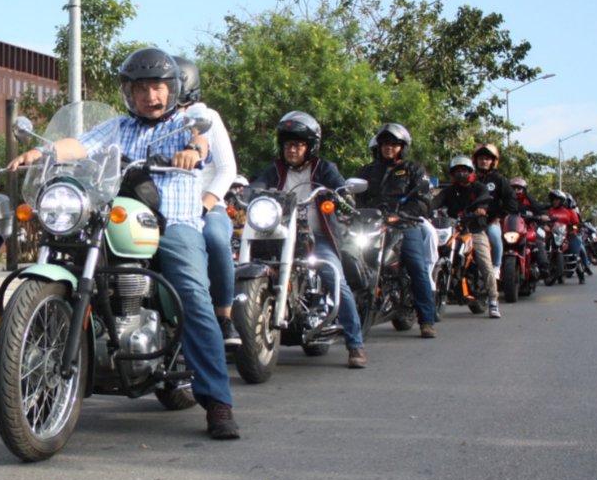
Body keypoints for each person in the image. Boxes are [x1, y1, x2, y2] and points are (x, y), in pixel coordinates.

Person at [8, 47, 241, 440]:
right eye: (142, 88)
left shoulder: (187, 121)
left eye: (159, 87)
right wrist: (42, 151)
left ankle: (218, 401)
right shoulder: (119, 127)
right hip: (119, 219)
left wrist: (190, 153)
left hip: (174, 224)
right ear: (129, 93)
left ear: (173, 89)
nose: (151, 96)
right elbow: (79, 145)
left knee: (193, 297)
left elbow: (200, 144)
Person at [250, 111, 369, 367]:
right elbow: (257, 185)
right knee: (246, 270)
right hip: (278, 238)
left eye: (298, 145)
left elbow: (340, 188)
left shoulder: (324, 168)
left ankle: (355, 345)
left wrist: (343, 198)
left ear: (310, 147)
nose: (292, 150)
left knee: (334, 278)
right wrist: (245, 192)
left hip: (316, 238)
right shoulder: (275, 170)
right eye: (288, 145)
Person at [175, 56, 241, 346]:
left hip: (206, 205)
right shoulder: (151, 121)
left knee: (215, 238)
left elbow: (228, 170)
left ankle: (224, 316)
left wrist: (204, 203)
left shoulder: (207, 118)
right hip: (166, 206)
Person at [355, 123, 438, 338]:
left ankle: (427, 320)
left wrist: (400, 215)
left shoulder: (414, 170)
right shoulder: (367, 171)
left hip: (404, 226)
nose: (388, 147)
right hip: (372, 226)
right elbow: (355, 197)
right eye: (385, 143)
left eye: (393, 144)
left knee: (417, 267)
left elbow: (423, 201)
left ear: (402, 147)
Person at [432, 156, 499, 317]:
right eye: (457, 171)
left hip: (474, 230)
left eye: (464, 170)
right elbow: (435, 202)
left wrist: (481, 209)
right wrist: (424, 209)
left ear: (470, 172)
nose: (461, 173)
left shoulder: (479, 188)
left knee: (485, 262)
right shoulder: (449, 190)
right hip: (453, 230)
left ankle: (493, 301)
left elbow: (485, 200)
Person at [470, 143, 517, 289]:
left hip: (490, 222)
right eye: (481, 158)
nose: (484, 161)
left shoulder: (499, 180)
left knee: (494, 235)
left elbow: (511, 201)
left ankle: (496, 267)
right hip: (470, 222)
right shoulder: (470, 179)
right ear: (475, 161)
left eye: (487, 159)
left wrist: (498, 216)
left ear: (493, 162)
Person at [543, 189, 590, 283]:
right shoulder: (549, 211)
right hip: (552, 236)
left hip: (567, 236)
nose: (555, 201)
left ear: (561, 200)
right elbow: (544, 221)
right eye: (553, 199)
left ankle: (581, 274)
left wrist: (574, 229)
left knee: (574, 254)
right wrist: (545, 226)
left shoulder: (570, 212)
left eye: (557, 199)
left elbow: (576, 224)